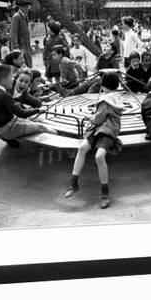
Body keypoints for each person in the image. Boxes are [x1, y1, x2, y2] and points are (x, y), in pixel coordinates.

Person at [0, 64, 58, 172]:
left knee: (32, 123)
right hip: (5, 125)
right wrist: (37, 110)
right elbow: (21, 113)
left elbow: (32, 101)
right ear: (12, 80)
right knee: (41, 126)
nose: (23, 83)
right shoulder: (5, 93)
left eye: (27, 82)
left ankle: (9, 139)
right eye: (13, 78)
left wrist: (42, 102)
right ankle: (61, 144)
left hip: (6, 120)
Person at [64, 72, 123, 209]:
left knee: (99, 156)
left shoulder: (106, 100)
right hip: (101, 130)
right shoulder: (116, 97)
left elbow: (98, 119)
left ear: (103, 85)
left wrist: (90, 117)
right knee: (83, 148)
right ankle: (73, 183)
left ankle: (105, 193)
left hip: (106, 131)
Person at [9, 0, 33, 67]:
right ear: (21, 7)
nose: (28, 9)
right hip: (20, 46)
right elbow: (13, 33)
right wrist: (16, 47)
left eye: (28, 7)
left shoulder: (25, 17)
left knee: (28, 66)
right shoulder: (16, 17)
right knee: (22, 67)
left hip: (26, 45)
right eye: (27, 7)